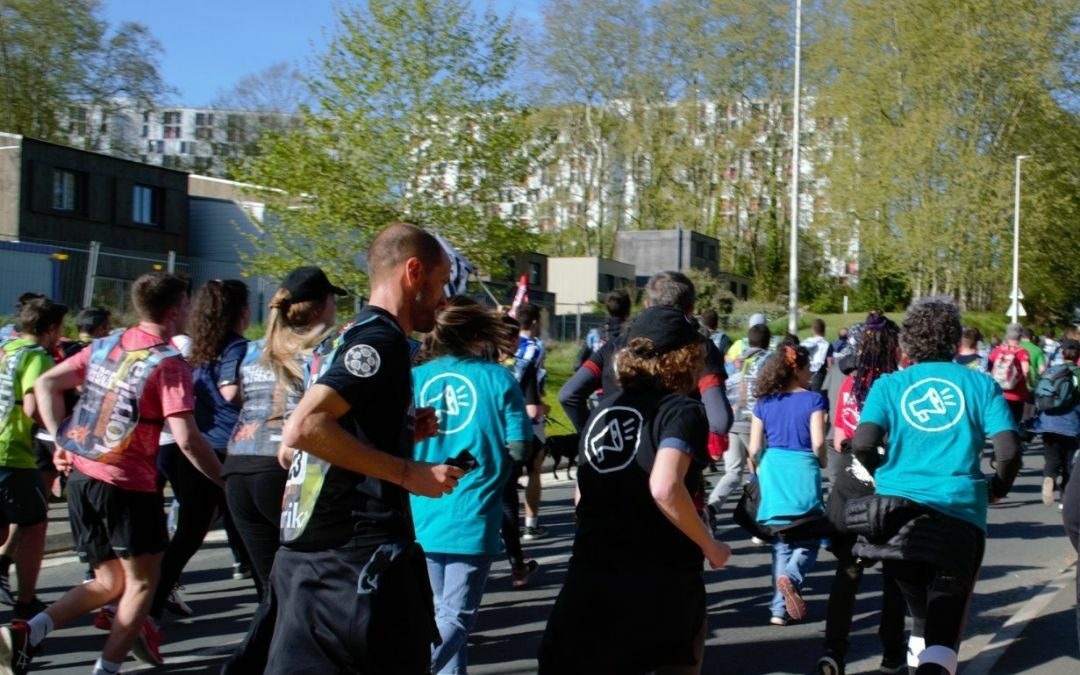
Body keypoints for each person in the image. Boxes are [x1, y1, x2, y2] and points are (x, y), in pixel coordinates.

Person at [267, 222, 462, 673]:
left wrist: (398, 430)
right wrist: (407, 472)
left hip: (311, 561)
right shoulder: (382, 340)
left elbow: (325, 434)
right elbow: (304, 427)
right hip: (349, 568)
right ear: (413, 272)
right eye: (440, 282)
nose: (444, 297)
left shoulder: (346, 333)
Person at [8, 272, 223, 675]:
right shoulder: (169, 362)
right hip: (127, 482)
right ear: (176, 310)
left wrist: (62, 439)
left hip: (84, 476)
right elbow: (188, 438)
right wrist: (224, 481)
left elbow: (47, 383)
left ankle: (29, 631)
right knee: (143, 582)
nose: (193, 310)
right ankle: (106, 668)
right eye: (190, 304)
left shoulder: (107, 344)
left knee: (110, 582)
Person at [539, 305, 731, 674]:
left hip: (592, 577)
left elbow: (582, 495)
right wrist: (711, 545)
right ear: (686, 357)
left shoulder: (603, 411)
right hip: (661, 580)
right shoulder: (681, 411)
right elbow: (664, 486)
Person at [850, 297, 1022, 675]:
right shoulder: (980, 384)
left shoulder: (889, 385)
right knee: (945, 633)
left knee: (920, 614)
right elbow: (1008, 450)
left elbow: (861, 443)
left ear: (908, 343)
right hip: (958, 514)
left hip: (895, 515)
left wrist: (883, 475)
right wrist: (998, 487)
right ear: (955, 340)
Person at [221, 267, 344, 675]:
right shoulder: (323, 351)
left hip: (238, 465)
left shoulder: (256, 348)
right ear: (322, 305)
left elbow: (239, 398)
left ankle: (260, 664)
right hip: (282, 469)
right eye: (333, 299)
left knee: (271, 587)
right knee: (307, 583)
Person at [411, 296, 532, 674]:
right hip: (473, 507)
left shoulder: (416, 378)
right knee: (457, 618)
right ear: (478, 334)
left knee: (439, 614)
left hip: (422, 507)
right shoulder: (498, 378)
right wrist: (491, 458)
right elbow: (519, 445)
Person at [147, 280, 253, 632]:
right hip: (227, 447)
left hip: (195, 446)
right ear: (241, 311)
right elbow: (231, 390)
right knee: (249, 530)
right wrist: (256, 402)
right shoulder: (236, 347)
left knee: (192, 533)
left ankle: (148, 610)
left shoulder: (196, 349)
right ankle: (276, 609)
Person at [558, 271, 732, 467]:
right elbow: (720, 420)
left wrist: (593, 433)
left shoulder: (615, 346)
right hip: (671, 468)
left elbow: (569, 395)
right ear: (691, 309)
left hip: (615, 464)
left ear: (647, 304)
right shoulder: (701, 349)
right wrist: (704, 451)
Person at [817, 312, 907, 675]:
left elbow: (839, 440)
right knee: (894, 574)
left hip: (851, 486)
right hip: (890, 486)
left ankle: (834, 652)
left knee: (848, 573)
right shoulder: (900, 386)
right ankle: (892, 654)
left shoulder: (849, 387)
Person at [749, 345, 828, 626]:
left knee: (781, 543)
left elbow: (754, 448)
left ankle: (777, 611)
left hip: (773, 472)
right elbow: (818, 442)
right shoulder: (814, 400)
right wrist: (822, 461)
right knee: (808, 539)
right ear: (797, 369)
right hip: (803, 470)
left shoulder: (763, 403)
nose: (810, 375)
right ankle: (792, 578)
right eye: (808, 369)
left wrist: (757, 473)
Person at [0, 298, 67, 620]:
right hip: (13, 451)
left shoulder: (7, 348)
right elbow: (32, 406)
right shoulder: (36, 357)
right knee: (35, 524)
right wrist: (56, 431)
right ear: (51, 329)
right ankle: (26, 600)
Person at [707, 323, 771, 515]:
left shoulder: (734, 362)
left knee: (733, 473)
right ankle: (761, 517)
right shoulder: (767, 361)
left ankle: (711, 508)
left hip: (732, 420)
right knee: (763, 470)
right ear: (767, 343)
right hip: (754, 423)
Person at [511, 303, 549, 541]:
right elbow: (533, 379)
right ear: (534, 322)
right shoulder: (536, 347)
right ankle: (530, 525)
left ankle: (506, 527)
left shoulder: (506, 345)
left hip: (505, 413)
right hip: (530, 413)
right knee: (534, 469)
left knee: (509, 474)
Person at [1028, 339, 1080, 507]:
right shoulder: (1078, 373)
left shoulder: (1052, 371)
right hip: (1071, 425)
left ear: (1062, 354)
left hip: (1048, 424)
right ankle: (1064, 501)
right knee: (1069, 465)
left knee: (1052, 459)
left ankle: (1049, 477)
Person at [573, 288, 630, 370]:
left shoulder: (593, 336)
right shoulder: (631, 336)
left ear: (607, 307)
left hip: (596, 379)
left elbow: (577, 364)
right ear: (628, 310)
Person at [988, 323, 1031, 425]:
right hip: (1017, 395)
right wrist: (1028, 380)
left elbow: (989, 368)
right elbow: (1026, 370)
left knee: (1001, 421)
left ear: (1007, 336)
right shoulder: (1022, 352)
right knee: (1014, 422)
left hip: (999, 393)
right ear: (1020, 336)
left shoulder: (997, 350)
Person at [802, 318, 834, 393]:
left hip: (804, 374)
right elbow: (830, 364)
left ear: (813, 330)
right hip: (819, 374)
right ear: (824, 330)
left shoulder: (804, 343)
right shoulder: (827, 345)